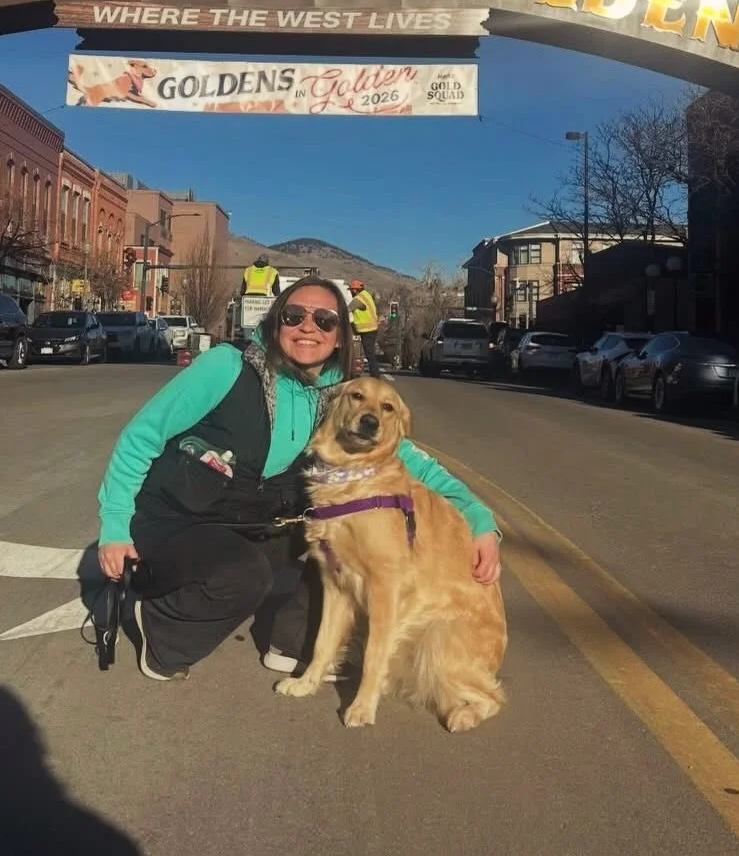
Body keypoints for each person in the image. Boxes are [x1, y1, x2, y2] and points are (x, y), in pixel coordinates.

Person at [96, 277, 501, 681]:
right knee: (242, 573)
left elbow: (416, 466)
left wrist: (479, 520)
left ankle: (291, 643)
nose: (309, 327)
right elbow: (142, 436)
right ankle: (163, 628)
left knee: (351, 541)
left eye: (325, 320)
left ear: (340, 337)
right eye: (295, 315)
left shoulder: (340, 400)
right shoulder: (226, 367)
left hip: (251, 523)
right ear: (276, 323)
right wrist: (115, 525)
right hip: (177, 520)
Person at [348, 279, 381, 378]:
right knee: (369, 353)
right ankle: (374, 374)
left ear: (355, 290)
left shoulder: (358, 299)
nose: (350, 292)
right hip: (371, 328)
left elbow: (346, 310)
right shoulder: (366, 295)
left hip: (367, 330)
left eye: (351, 290)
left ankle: (375, 375)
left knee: (369, 353)